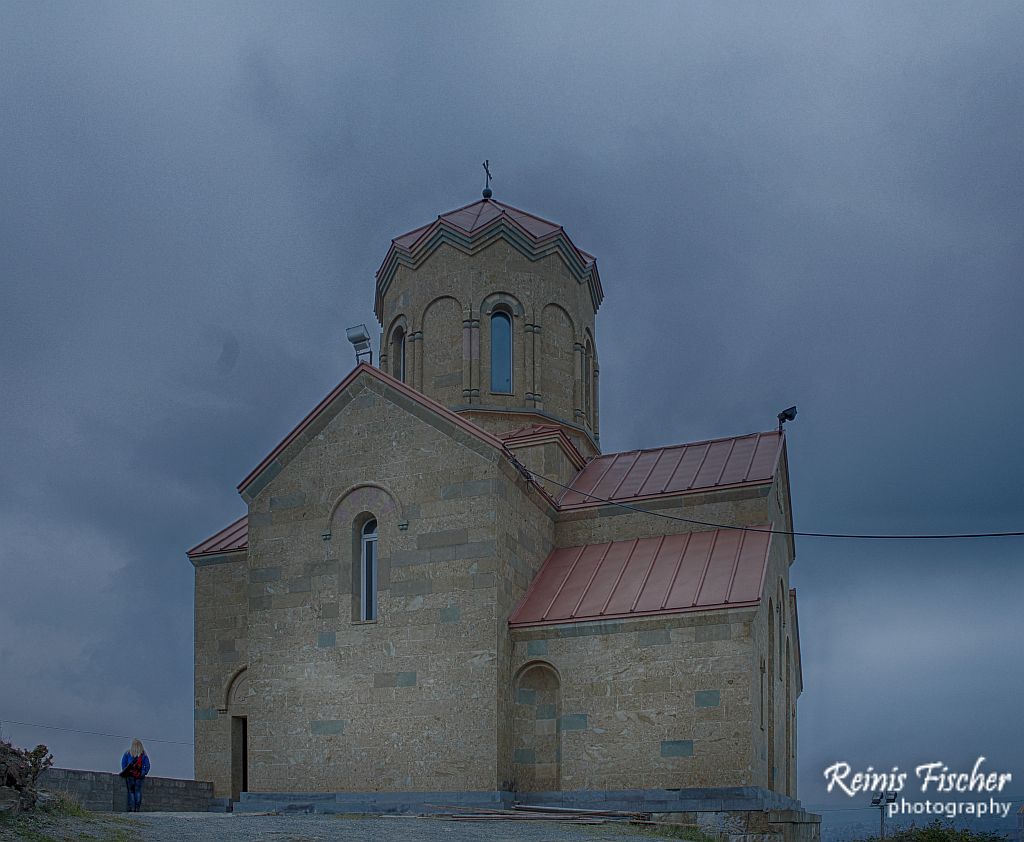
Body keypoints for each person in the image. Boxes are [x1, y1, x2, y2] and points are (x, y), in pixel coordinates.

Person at [120, 738, 150, 812]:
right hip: (140, 775)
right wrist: (144, 772)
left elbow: (123, 764)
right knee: (138, 791)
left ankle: (132, 808)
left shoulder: (128, 753)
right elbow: (148, 765)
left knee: (131, 791)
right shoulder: (143, 754)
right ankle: (137, 809)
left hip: (130, 775)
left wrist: (125, 771)